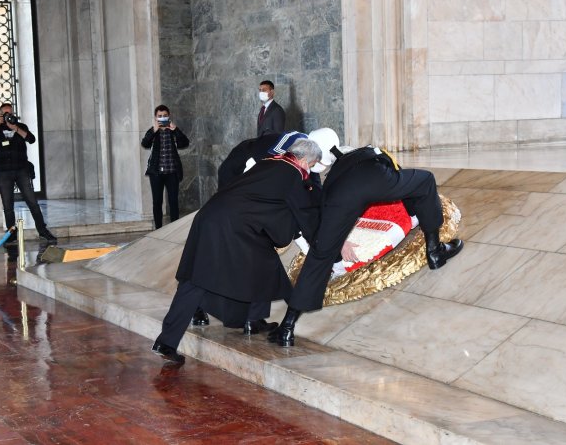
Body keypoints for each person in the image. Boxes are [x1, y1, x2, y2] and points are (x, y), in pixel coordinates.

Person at [268, 145, 464, 347]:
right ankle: (435, 252)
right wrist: (413, 211)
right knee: (425, 180)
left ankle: (287, 327)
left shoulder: (331, 177)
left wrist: (335, 241)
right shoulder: (369, 152)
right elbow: (403, 181)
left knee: (320, 255)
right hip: (375, 178)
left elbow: (321, 218)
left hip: (340, 195)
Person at [151, 139, 323, 364]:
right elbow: (305, 214)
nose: (309, 171)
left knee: (197, 280)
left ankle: (167, 341)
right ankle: (265, 320)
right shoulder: (292, 174)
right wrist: (326, 247)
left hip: (210, 217)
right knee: (260, 264)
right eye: (310, 165)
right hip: (232, 227)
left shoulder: (270, 162)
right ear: (302, 160)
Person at [0, 103, 56, 244]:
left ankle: (43, 231)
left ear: (13, 113)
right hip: (3, 172)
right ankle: (11, 234)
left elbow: (31, 139)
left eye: (10, 113)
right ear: (0, 115)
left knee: (32, 202)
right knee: (8, 206)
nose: (8, 116)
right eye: (5, 114)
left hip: (21, 170)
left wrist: (15, 128)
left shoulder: (21, 127)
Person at [141, 105, 190, 229]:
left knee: (173, 201)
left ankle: (174, 228)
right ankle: (158, 228)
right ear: (156, 118)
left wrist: (176, 130)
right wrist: (154, 130)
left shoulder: (173, 131)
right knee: (157, 202)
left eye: (165, 116)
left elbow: (185, 143)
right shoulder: (153, 131)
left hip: (172, 172)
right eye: (160, 116)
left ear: (169, 116)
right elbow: (144, 143)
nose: (162, 118)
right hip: (156, 173)